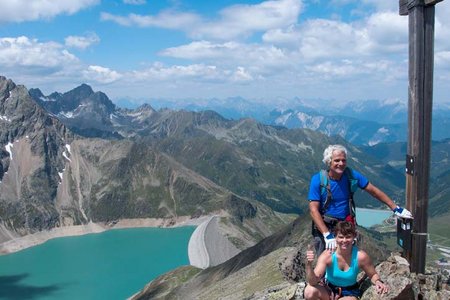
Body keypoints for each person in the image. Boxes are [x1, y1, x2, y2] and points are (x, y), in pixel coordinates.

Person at [308, 144, 412, 254]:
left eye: (344, 160)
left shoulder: (351, 176)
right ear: (329, 162)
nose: (341, 164)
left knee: (347, 262)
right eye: (337, 160)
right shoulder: (318, 180)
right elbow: (313, 210)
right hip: (325, 226)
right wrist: (326, 234)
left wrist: (395, 208)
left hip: (345, 227)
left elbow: (374, 191)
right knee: (325, 263)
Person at [304, 221, 389, 299]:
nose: (344, 241)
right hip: (329, 290)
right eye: (341, 237)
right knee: (309, 291)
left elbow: (373, 274)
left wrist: (378, 282)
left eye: (348, 237)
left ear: (354, 237)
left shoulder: (361, 256)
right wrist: (309, 265)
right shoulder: (327, 255)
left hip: (350, 293)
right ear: (335, 237)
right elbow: (313, 282)